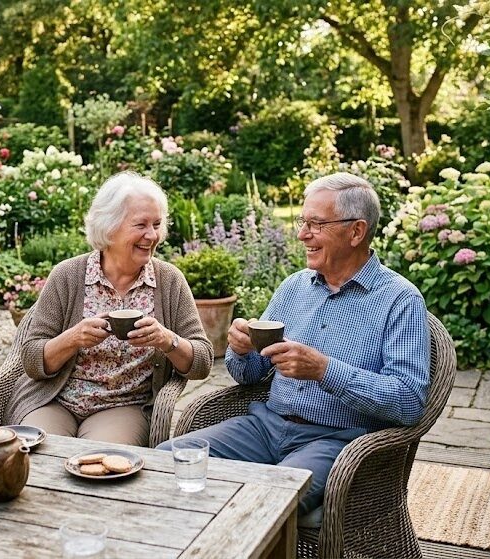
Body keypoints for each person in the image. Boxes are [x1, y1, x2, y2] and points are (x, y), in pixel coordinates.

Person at [158, 172, 430, 518]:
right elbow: (249, 375)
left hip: (335, 440)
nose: (302, 234)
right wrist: (241, 350)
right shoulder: (294, 287)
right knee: (166, 461)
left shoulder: (400, 300)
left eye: (316, 224)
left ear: (356, 231)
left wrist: (324, 370)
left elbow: (409, 401)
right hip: (263, 428)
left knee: (268, 500)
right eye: (303, 222)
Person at [4, 171, 213, 446]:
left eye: (157, 224)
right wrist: (73, 338)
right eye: (141, 225)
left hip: (122, 408)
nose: (152, 235)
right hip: (55, 400)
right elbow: (31, 358)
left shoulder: (169, 281)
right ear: (109, 227)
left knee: (105, 461)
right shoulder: (67, 275)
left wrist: (167, 340)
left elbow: (203, 362)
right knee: (33, 452)